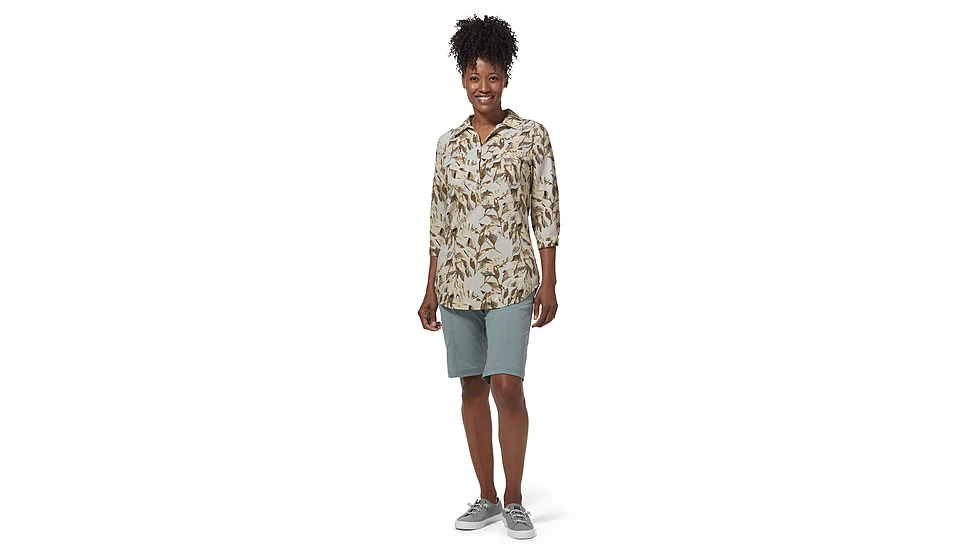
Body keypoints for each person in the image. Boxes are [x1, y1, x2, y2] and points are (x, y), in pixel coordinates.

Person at [417, 14, 560, 540]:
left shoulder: (531, 137)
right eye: (475, 77)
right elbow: (439, 219)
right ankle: (487, 497)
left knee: (506, 385)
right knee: (471, 389)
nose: (484, 87)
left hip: (512, 282)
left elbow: (546, 208)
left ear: (506, 78)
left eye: (493, 77)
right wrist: (429, 288)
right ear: (462, 78)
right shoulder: (447, 144)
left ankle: (515, 499)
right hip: (456, 285)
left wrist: (549, 281)